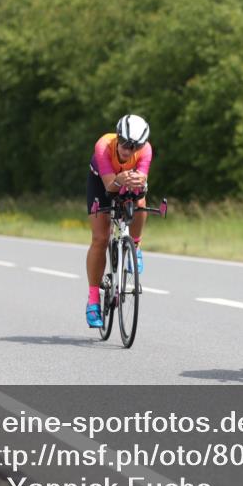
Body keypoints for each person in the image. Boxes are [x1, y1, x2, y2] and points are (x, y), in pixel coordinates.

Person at [84, 114, 152, 328]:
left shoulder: (146, 150)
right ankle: (93, 300)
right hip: (101, 183)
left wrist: (139, 182)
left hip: (125, 181)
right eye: (124, 143)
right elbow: (109, 187)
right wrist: (120, 179)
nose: (127, 149)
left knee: (140, 202)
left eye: (134, 147)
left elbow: (141, 183)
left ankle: (136, 245)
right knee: (100, 238)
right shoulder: (103, 146)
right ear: (118, 137)